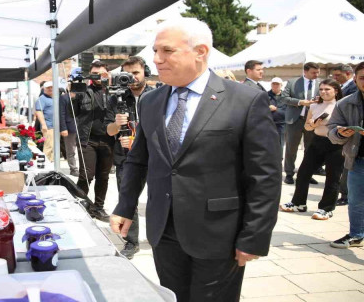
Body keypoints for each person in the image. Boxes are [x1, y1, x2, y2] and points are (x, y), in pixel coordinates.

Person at [110, 18, 281, 301]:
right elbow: (139, 160)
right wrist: (125, 205)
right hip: (163, 229)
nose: (156, 59)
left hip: (219, 234)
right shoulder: (151, 102)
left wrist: (254, 236)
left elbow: (265, 176)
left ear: (200, 51)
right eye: (155, 51)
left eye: (167, 51)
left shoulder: (246, 101)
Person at [105, 56, 153, 259]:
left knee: (160, 198)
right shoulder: (116, 97)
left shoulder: (158, 95)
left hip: (155, 156)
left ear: (145, 73)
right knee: (127, 198)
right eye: (127, 73)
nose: (132, 78)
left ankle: (160, 236)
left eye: (136, 73)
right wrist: (117, 124)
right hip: (125, 156)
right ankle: (131, 242)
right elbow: (108, 131)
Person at [280, 79, 343, 220]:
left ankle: (326, 209)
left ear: (336, 91)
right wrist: (314, 124)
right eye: (321, 89)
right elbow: (307, 126)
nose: (323, 92)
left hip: (335, 143)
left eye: (327, 89)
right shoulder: (315, 105)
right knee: (303, 172)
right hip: (317, 141)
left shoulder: (341, 106)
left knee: (332, 177)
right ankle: (298, 203)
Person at [71, 60, 115, 222]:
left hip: (109, 140)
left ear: (107, 74)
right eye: (95, 74)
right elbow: (72, 112)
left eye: (102, 73)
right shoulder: (84, 91)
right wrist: (74, 94)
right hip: (87, 139)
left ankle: (98, 208)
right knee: (86, 175)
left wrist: (110, 84)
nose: (98, 77)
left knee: (103, 176)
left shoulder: (114, 91)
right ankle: (79, 204)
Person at [326, 61, 364, 249]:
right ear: (355, 79)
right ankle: (356, 235)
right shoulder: (345, 103)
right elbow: (331, 131)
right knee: (356, 201)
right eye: (362, 78)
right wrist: (341, 133)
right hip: (357, 160)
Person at [281, 62, 321, 185]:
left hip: (312, 121)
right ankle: (289, 173)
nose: (316, 75)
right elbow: (284, 98)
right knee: (291, 148)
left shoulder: (320, 84)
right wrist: (300, 102)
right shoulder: (292, 82)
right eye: (313, 72)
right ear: (305, 71)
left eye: (318, 72)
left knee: (310, 150)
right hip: (295, 120)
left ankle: (307, 174)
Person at [331, 64, 356, 206]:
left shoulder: (353, 88)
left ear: (348, 74)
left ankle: (345, 194)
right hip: (341, 131)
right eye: (334, 75)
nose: (335, 78)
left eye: (338, 75)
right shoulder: (343, 87)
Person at [60, 88, 78, 177]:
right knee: (70, 150)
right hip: (69, 127)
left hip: (82, 127)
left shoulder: (83, 95)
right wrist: (63, 128)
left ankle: (83, 168)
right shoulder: (64, 98)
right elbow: (61, 113)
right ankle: (73, 169)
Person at [35, 81, 55, 161]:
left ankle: (52, 164)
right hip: (48, 126)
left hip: (55, 126)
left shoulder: (55, 97)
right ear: (44, 89)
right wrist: (43, 125)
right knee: (49, 146)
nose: (50, 89)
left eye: (51, 87)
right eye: (48, 88)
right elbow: (39, 112)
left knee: (54, 147)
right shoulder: (42, 99)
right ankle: (45, 164)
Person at [268, 77, 287, 156]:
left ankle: (279, 159)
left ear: (281, 85)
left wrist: (275, 109)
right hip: (268, 123)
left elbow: (287, 111)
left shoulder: (286, 96)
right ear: (271, 85)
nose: (275, 86)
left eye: (277, 84)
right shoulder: (265, 95)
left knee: (279, 143)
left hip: (281, 124)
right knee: (268, 143)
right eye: (274, 84)